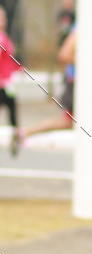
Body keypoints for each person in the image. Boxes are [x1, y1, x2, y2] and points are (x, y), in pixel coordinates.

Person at [15, 25, 76, 148]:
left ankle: (25, 133)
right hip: (75, 84)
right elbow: (64, 54)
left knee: (69, 122)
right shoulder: (80, 30)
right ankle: (25, 132)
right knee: (67, 122)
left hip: (77, 84)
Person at [0, 5, 20, 155]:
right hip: (2, 84)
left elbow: (9, 59)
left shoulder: (4, 36)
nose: (3, 20)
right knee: (11, 110)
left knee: (12, 110)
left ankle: (15, 137)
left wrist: (18, 67)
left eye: (4, 17)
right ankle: (16, 136)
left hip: (8, 84)